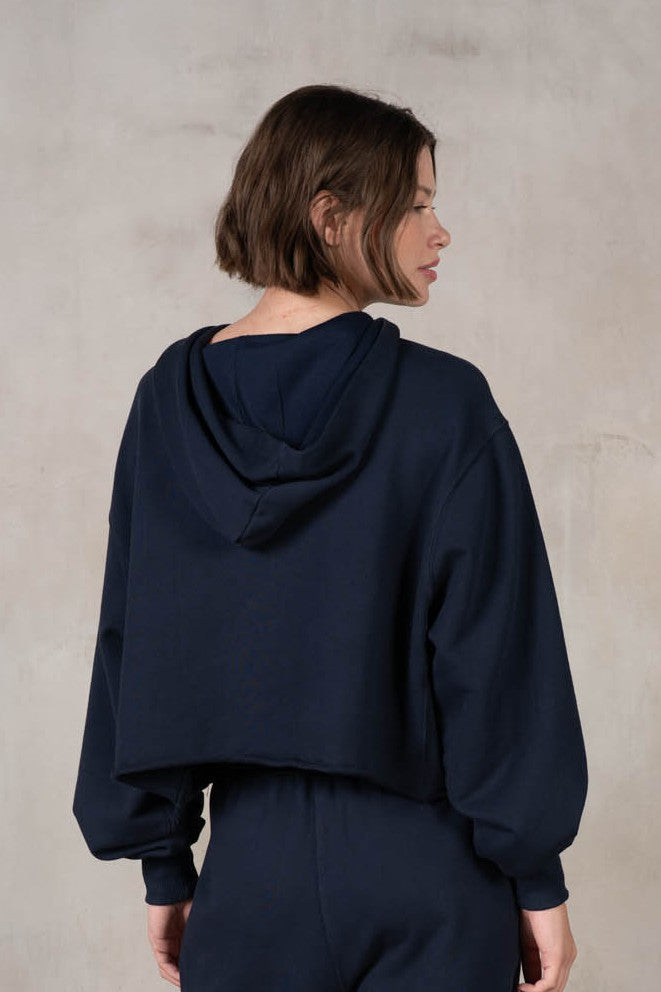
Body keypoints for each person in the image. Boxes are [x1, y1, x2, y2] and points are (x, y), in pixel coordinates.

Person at [72, 84, 588, 992]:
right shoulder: (443, 402)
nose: (440, 232)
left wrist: (164, 863)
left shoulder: (167, 403)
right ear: (331, 216)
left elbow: (137, 638)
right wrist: (535, 875)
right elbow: (494, 654)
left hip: (249, 876)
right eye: (417, 204)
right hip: (430, 865)